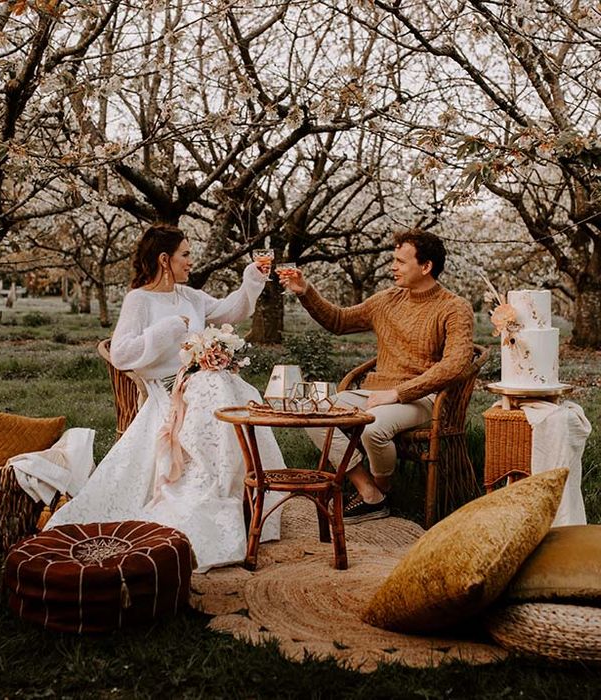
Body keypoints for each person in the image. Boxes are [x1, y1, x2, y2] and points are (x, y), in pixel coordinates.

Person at [47, 223, 286, 572]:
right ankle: (206, 496)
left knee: (236, 391)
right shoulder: (139, 300)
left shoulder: (191, 296)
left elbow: (231, 310)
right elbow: (122, 354)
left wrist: (253, 277)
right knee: (220, 390)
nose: (191, 261)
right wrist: (167, 330)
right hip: (168, 391)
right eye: (185, 255)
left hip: (205, 383)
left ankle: (237, 492)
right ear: (164, 259)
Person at [279, 229, 474, 524]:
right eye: (393, 260)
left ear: (426, 266)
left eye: (400, 261)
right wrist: (305, 290)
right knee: (313, 412)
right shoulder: (386, 300)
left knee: (372, 429)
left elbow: (456, 364)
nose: (392, 267)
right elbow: (339, 321)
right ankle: (369, 491)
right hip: (376, 393)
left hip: (422, 399)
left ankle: (383, 490)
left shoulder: (454, 307)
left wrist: (398, 393)